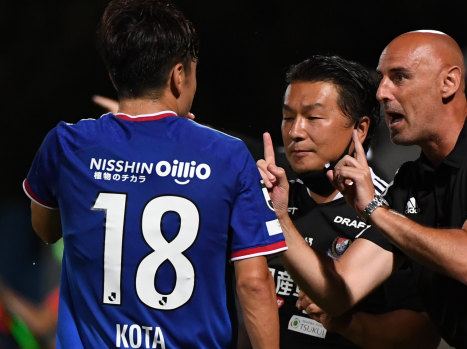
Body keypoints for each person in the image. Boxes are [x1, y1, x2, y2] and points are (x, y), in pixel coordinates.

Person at [262, 30, 467, 348]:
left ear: (448, 82)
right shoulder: (410, 182)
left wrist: (374, 211)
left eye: (399, 77)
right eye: (382, 80)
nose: (381, 93)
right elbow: (340, 293)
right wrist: (278, 217)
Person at [22, 1, 286, 348]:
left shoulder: (67, 144)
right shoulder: (228, 155)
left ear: (116, 74)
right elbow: (254, 283)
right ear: (179, 76)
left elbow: (46, 230)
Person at [256, 55, 439, 348]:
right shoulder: (262, 191)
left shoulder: (391, 210)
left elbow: (421, 335)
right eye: (288, 117)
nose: (295, 132)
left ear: (360, 129)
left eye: (313, 118)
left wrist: (347, 324)